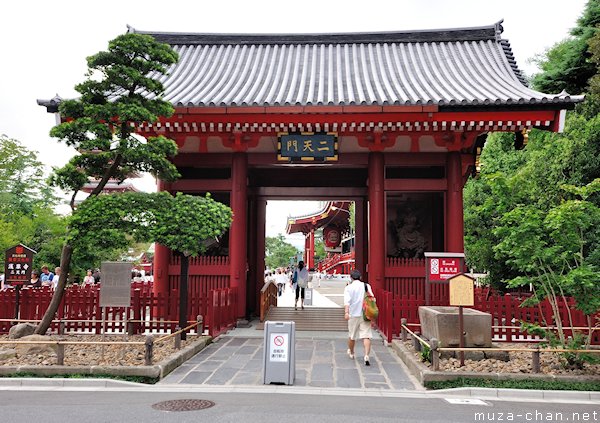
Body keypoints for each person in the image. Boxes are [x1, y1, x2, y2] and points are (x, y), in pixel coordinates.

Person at [343, 269, 375, 366]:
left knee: (352, 336)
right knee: (366, 335)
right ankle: (366, 355)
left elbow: (347, 302)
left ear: (351, 277)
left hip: (353, 314)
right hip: (365, 314)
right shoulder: (366, 286)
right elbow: (372, 298)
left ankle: (352, 352)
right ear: (360, 277)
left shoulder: (348, 288)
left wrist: (346, 313)